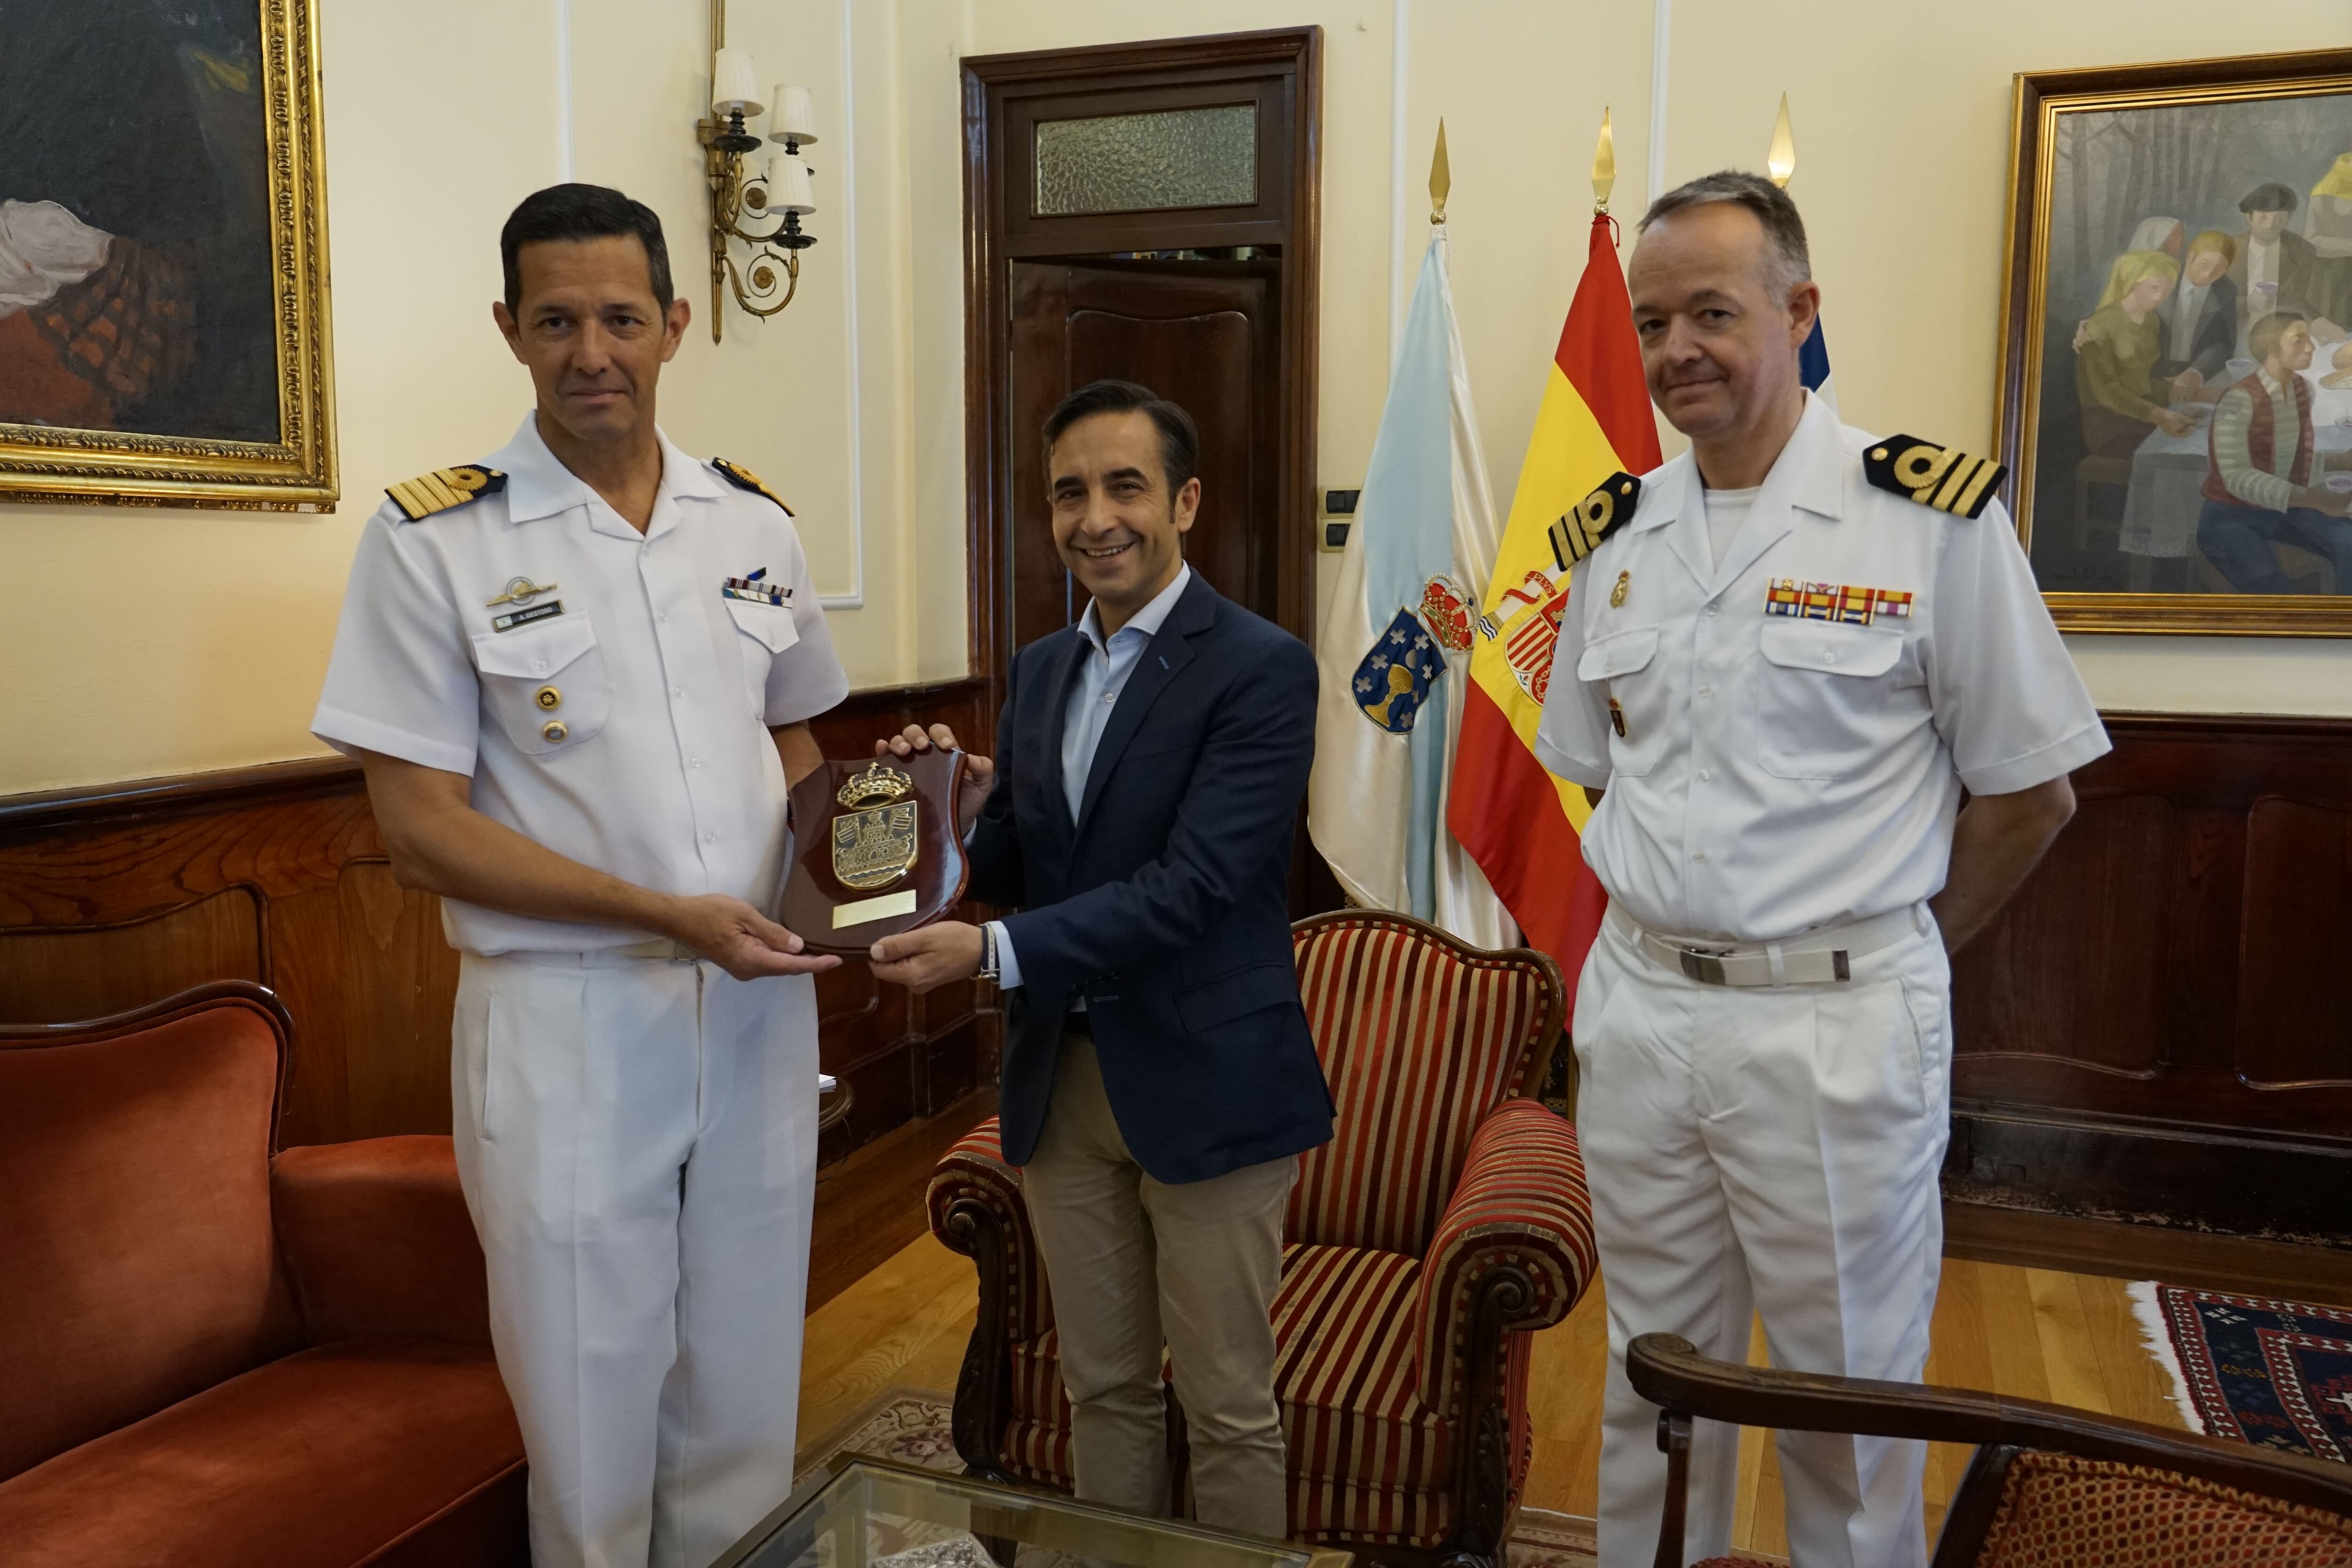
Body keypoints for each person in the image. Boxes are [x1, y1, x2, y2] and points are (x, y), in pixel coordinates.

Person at [1536, 171, 2108, 1568]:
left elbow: (2032, 793)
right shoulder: (1609, 542)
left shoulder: (1927, 519)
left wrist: (1892, 945)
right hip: (1644, 1015)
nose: (1678, 349)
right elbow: (1594, 767)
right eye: (1654, 318)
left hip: (1834, 1029)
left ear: (1798, 311)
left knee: (1843, 1403)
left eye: (1713, 313)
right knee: (1648, 1385)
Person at [310, 183, 849, 1568]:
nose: (590, 350)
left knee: (740, 1371)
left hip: (753, 1010)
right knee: (587, 1396)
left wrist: (877, 847)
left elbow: (794, 741)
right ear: (508, 328)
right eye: (556, 320)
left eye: (620, 317)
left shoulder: (753, 525)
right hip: (568, 1016)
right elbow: (417, 826)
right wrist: (659, 914)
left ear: (676, 324)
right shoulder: (438, 540)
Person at [867, 380, 1331, 1539]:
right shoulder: (1039, 667)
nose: (1094, 517)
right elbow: (1024, 852)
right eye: (1069, 491)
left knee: (1227, 1404)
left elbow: (1199, 888)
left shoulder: (1261, 666)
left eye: (1124, 485)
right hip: (1062, 1082)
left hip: (1207, 1082)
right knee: (1103, 1389)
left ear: (1184, 501)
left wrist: (990, 949)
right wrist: (945, 810)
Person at [2195, 311, 2352, 594]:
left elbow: (2285, 460)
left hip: (2284, 509)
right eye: (2298, 341)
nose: (2311, 348)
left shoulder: (2302, 390)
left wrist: (2339, 462)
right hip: (2231, 516)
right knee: (2274, 591)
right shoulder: (2238, 400)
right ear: (2271, 350)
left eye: (2309, 339)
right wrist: (2312, 498)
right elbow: (2237, 477)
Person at [2075, 249, 2195, 455]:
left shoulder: (2151, 320)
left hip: (2146, 408)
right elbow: (2107, 391)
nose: (2160, 297)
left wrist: (2193, 390)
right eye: (2154, 288)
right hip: (2109, 423)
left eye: (2167, 290)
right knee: (2184, 448)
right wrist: (2158, 415)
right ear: (2133, 282)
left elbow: (2145, 377)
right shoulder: (2098, 327)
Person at [2229, 182, 2344, 342]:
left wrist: (2318, 322)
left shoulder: (2302, 251)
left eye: (2279, 218)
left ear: (2288, 218)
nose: (2271, 225)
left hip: (2286, 333)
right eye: (2263, 217)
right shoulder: (2228, 250)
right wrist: (2249, 303)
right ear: (2250, 217)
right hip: (2236, 333)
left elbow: (2300, 301)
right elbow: (2212, 303)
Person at [2152, 230, 2240, 403]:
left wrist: (2195, 372)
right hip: (2149, 370)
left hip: (2194, 370)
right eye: (2204, 264)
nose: (2208, 274)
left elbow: (2224, 345)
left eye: (2219, 269)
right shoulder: (2161, 276)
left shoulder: (2226, 291)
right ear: (2190, 257)